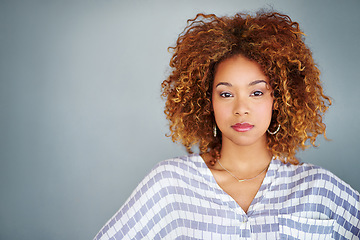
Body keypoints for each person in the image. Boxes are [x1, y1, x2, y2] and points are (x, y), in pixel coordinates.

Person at [94, 10, 360, 239]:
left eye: (256, 93)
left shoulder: (318, 189)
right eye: (226, 93)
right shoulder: (170, 185)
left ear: (278, 99)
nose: (240, 108)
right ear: (207, 100)